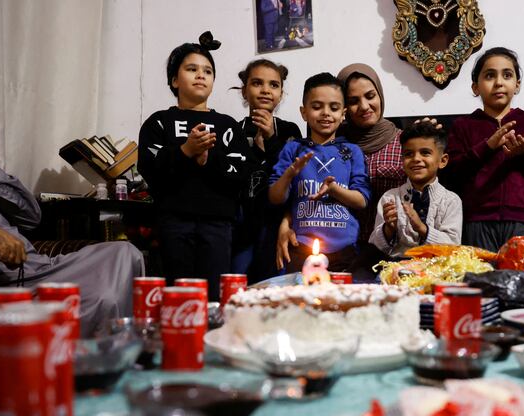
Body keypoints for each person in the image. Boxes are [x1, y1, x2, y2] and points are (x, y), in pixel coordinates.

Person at [0, 100, 144, 336]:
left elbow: (31, 215)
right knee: (102, 298)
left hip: (40, 265)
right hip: (7, 281)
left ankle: (116, 343)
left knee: (124, 253)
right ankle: (98, 355)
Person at [138, 31, 251, 301]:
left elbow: (242, 173)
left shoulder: (228, 125)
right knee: (180, 294)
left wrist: (207, 160)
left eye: (208, 71)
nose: (201, 75)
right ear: (175, 80)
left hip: (218, 224)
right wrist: (186, 151)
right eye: (192, 69)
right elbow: (149, 167)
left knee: (213, 296)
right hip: (173, 221)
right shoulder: (159, 122)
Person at [276, 63, 406, 275]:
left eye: (370, 95)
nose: (364, 106)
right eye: (354, 100)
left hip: (386, 249)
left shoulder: (405, 142)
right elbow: (298, 189)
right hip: (332, 248)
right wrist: (285, 222)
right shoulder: (321, 146)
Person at [446, 47, 524, 252]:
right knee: (481, 282)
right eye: (489, 75)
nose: (498, 82)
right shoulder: (463, 126)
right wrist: (487, 147)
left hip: (523, 221)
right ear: (475, 87)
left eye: (507, 75)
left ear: (517, 85)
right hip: (476, 221)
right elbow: (450, 174)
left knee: (520, 282)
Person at [268, 72, 370, 272]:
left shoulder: (352, 152)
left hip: (345, 250)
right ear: (304, 112)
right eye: (316, 107)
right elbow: (275, 197)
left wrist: (333, 190)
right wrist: (289, 174)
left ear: (343, 114)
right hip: (301, 248)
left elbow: (362, 200)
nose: (326, 113)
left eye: (334, 108)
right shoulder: (293, 149)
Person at [231, 58, 302, 282]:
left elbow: (294, 176)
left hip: (277, 226)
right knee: (238, 289)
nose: (265, 90)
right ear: (244, 91)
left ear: (281, 93)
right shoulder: (233, 130)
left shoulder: (290, 130)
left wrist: (272, 138)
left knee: (274, 289)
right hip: (241, 229)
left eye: (274, 85)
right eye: (257, 83)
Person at [369, 120, 462, 257]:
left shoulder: (451, 200)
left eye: (425, 153)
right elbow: (375, 246)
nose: (416, 159)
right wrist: (388, 229)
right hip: (396, 269)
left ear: (442, 161)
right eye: (408, 154)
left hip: (437, 272)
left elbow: (454, 246)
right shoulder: (390, 197)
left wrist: (422, 228)